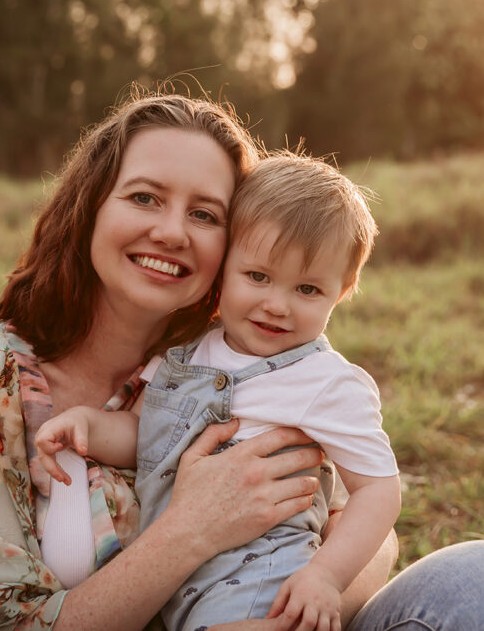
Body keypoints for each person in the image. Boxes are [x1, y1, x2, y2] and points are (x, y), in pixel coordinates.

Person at [0, 89, 484, 630]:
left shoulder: (231, 358)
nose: (170, 230)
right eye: (145, 197)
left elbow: (373, 530)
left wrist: (291, 609)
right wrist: (191, 529)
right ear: (91, 206)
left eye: (205, 213)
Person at [35, 154, 402, 631]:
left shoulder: (326, 381)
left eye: (308, 289)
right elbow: (144, 436)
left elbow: (378, 490)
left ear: (344, 289)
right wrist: (87, 426)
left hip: (267, 585)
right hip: (181, 595)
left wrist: (325, 577)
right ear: (225, 264)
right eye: (258, 277)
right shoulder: (186, 354)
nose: (277, 305)